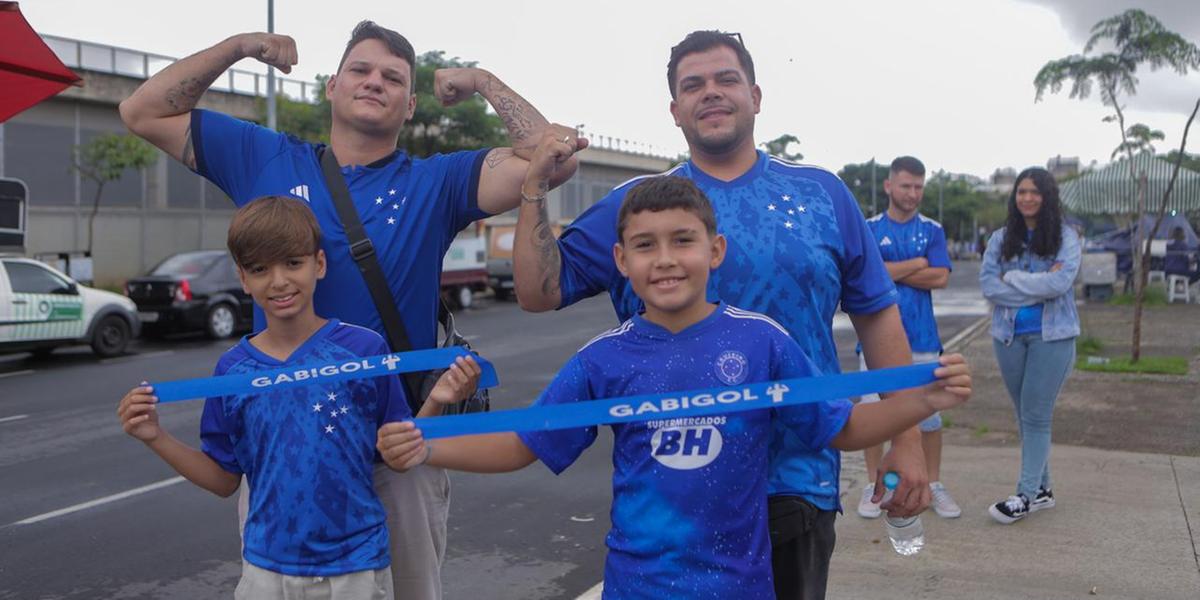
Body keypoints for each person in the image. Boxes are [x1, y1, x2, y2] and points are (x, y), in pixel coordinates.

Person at [118, 21, 579, 598]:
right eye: (360, 70)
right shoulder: (265, 158)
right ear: (331, 86)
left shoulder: (435, 181)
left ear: (410, 104)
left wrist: (482, 80)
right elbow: (143, 111)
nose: (374, 82)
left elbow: (553, 160)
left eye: (392, 78)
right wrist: (239, 48)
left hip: (401, 444)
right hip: (283, 450)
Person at [379, 170, 973, 598]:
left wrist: (921, 400)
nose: (664, 259)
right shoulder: (603, 361)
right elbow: (521, 443)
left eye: (681, 241)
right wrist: (426, 443)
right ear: (621, 260)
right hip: (638, 586)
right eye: (645, 246)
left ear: (715, 251)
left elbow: (841, 426)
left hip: (741, 587)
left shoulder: (762, 343)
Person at [509, 30, 935, 599]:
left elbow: (877, 315)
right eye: (693, 85)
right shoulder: (639, 204)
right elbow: (541, 291)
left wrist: (905, 438)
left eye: (726, 79)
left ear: (755, 96)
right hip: (673, 492)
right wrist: (533, 193)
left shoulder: (822, 194)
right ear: (674, 109)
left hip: (795, 481)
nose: (710, 93)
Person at [115, 196, 479, 598]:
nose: (279, 281)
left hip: (356, 569)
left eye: (293, 263)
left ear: (318, 264)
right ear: (242, 278)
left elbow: (395, 453)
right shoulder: (233, 372)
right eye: (259, 269)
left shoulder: (364, 351)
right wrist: (155, 436)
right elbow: (222, 480)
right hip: (265, 573)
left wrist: (438, 399)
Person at [855, 156, 960, 520]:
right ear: (888, 186)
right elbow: (870, 277)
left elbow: (941, 277)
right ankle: (873, 486)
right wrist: (917, 264)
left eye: (918, 187)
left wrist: (892, 271)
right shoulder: (867, 227)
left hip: (923, 338)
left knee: (929, 417)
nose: (912, 193)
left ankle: (932, 484)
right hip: (874, 338)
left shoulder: (932, 229)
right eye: (905, 186)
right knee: (873, 412)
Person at [979, 167, 1081, 524]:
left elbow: (1060, 283)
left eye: (1034, 192)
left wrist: (1016, 279)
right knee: (1026, 416)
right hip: (1008, 337)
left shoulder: (1066, 237)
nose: (1026, 197)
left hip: (1052, 337)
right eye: (1021, 191)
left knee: (1036, 415)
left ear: (1047, 196)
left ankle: (1024, 495)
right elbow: (989, 286)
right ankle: (1044, 489)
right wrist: (1036, 285)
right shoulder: (1000, 238)